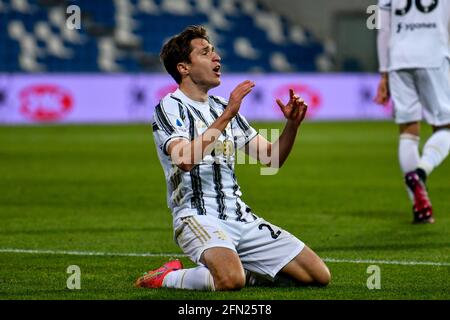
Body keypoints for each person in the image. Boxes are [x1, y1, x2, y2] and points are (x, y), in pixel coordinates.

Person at [135, 25, 331, 291]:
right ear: (184, 68)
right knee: (229, 280)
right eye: (206, 53)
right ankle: (167, 276)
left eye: (214, 51)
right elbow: (184, 160)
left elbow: (271, 159)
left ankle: (242, 268)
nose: (217, 58)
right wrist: (228, 114)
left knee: (317, 276)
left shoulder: (221, 106)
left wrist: (292, 125)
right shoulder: (170, 107)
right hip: (197, 216)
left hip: (240, 216)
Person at [375, 0, 450, 224]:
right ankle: (421, 171)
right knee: (445, 127)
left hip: (399, 60)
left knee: (408, 132)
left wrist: (384, 72)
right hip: (434, 56)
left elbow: (383, 30)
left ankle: (420, 206)